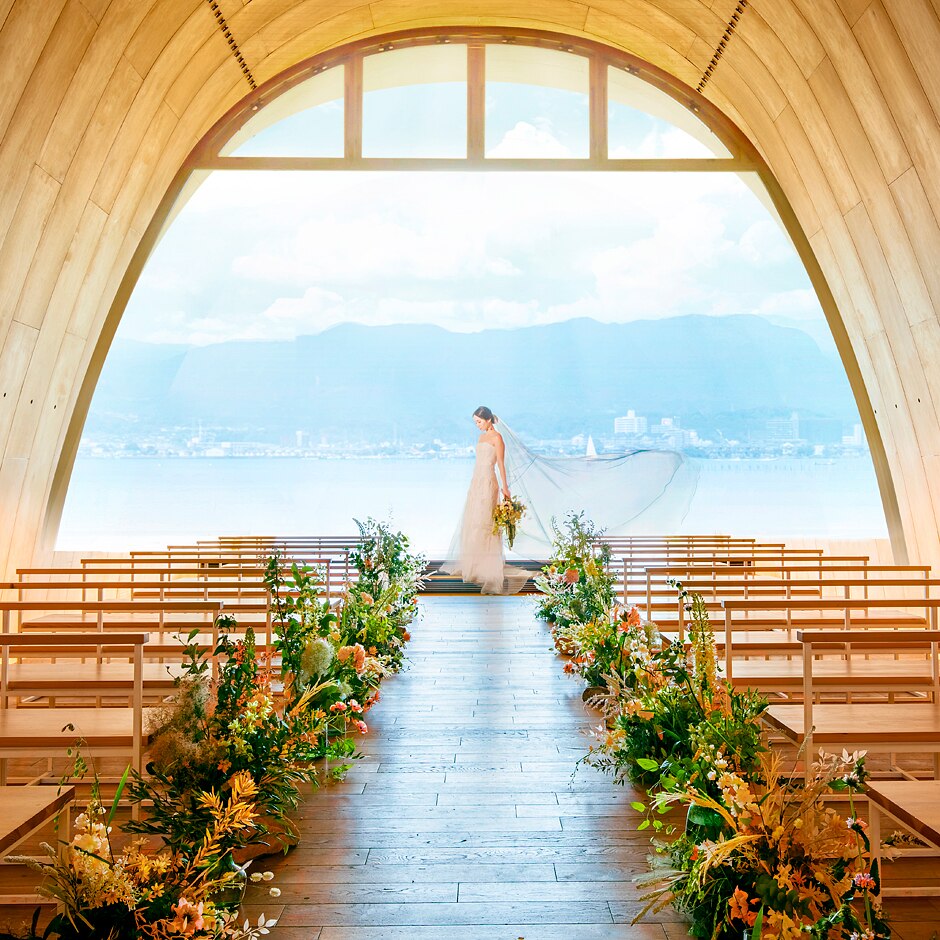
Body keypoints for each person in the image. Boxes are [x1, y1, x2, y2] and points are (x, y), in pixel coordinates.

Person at [442, 406, 531, 595]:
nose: (477, 425)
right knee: (474, 520)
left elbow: (500, 464)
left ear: (489, 419)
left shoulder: (497, 438)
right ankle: (475, 564)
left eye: (479, 422)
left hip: (489, 481)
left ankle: (487, 567)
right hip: (477, 480)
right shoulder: (481, 437)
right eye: (475, 422)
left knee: (486, 522)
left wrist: (505, 487)